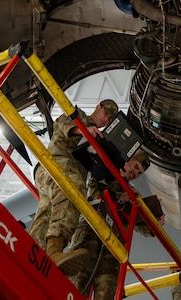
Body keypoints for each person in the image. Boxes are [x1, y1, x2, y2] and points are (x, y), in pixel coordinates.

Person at [28, 99, 120, 266]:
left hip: (51, 177)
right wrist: (84, 131)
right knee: (74, 192)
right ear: (97, 106)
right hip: (57, 167)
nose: (106, 119)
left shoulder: (98, 139)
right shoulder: (76, 115)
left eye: (110, 119)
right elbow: (63, 124)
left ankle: (32, 256)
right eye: (106, 113)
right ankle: (54, 251)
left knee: (46, 212)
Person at [65, 150, 164, 300]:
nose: (135, 173)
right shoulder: (106, 169)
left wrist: (153, 225)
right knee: (78, 281)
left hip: (113, 244)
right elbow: (94, 189)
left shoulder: (132, 192)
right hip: (91, 229)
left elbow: (135, 225)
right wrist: (120, 195)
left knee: (107, 289)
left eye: (139, 173)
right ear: (128, 159)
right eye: (136, 166)